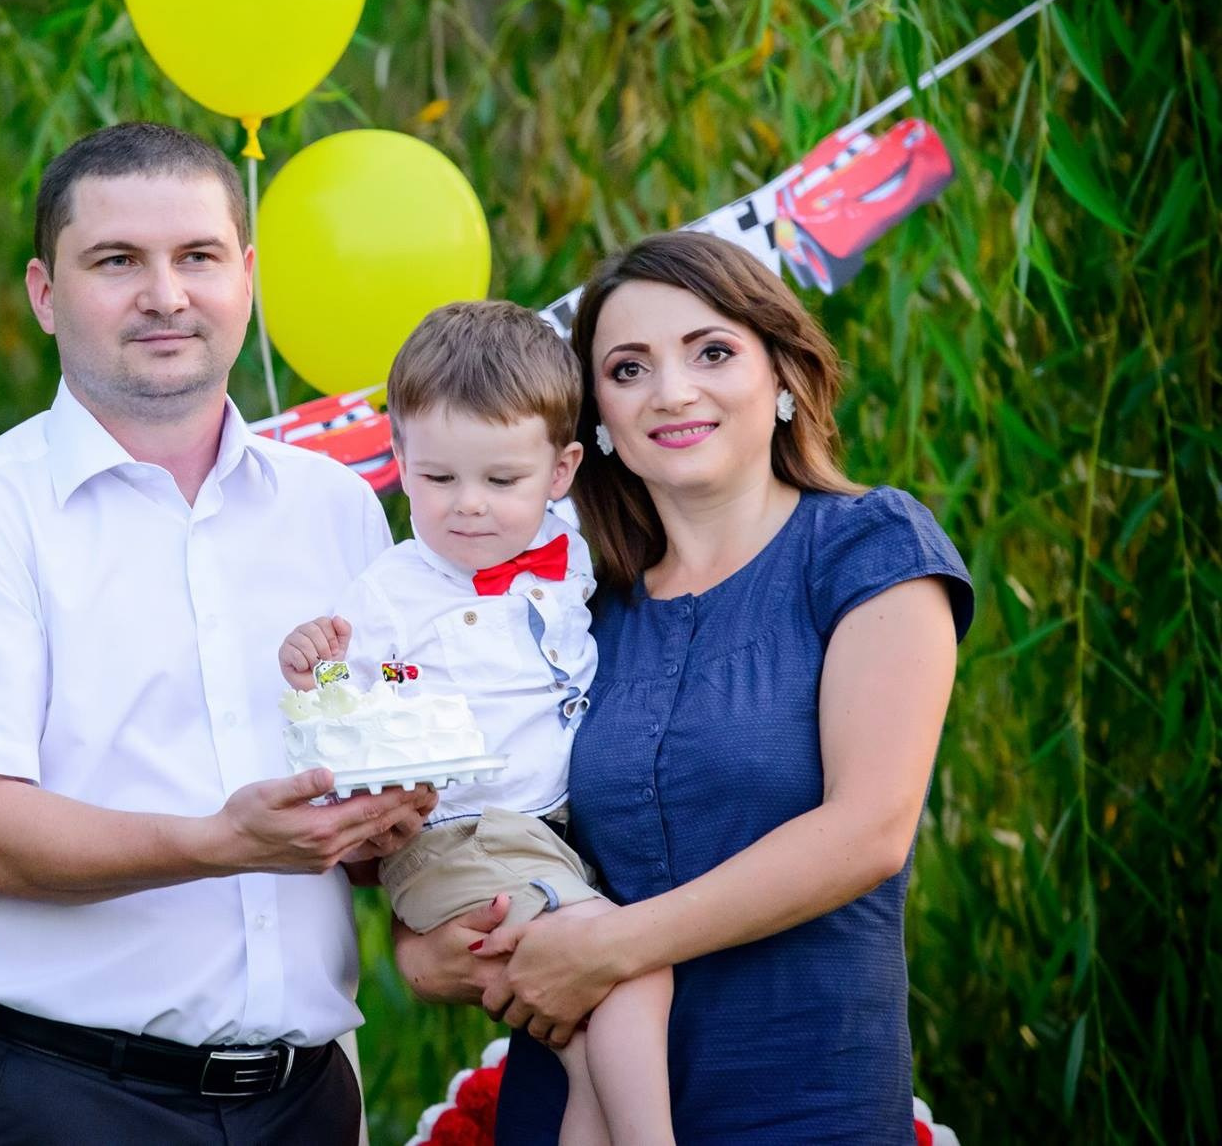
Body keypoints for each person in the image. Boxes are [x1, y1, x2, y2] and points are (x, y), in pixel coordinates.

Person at [0, 121, 436, 1145]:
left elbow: (358, 769)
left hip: (304, 1100)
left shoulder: (337, 506)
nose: (166, 295)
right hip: (63, 1097)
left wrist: (381, 826)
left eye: (197, 258)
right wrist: (222, 843)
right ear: (45, 293)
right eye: (117, 261)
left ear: (246, 276)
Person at [394, 231, 974, 1142]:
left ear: (781, 374)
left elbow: (868, 831)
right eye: (628, 369)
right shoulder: (576, 611)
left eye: (712, 351)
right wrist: (430, 949)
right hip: (575, 1104)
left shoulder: (869, 547)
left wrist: (612, 947)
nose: (671, 391)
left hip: (801, 1098)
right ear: (594, 428)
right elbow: (482, 810)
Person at [278, 301, 674, 1146]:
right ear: (399, 459)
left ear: (562, 469)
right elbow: (357, 692)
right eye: (438, 478)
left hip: (545, 835)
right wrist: (320, 662)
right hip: (461, 835)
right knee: (635, 975)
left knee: (588, 1049)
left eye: (502, 481)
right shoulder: (390, 592)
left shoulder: (570, 550)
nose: (468, 507)